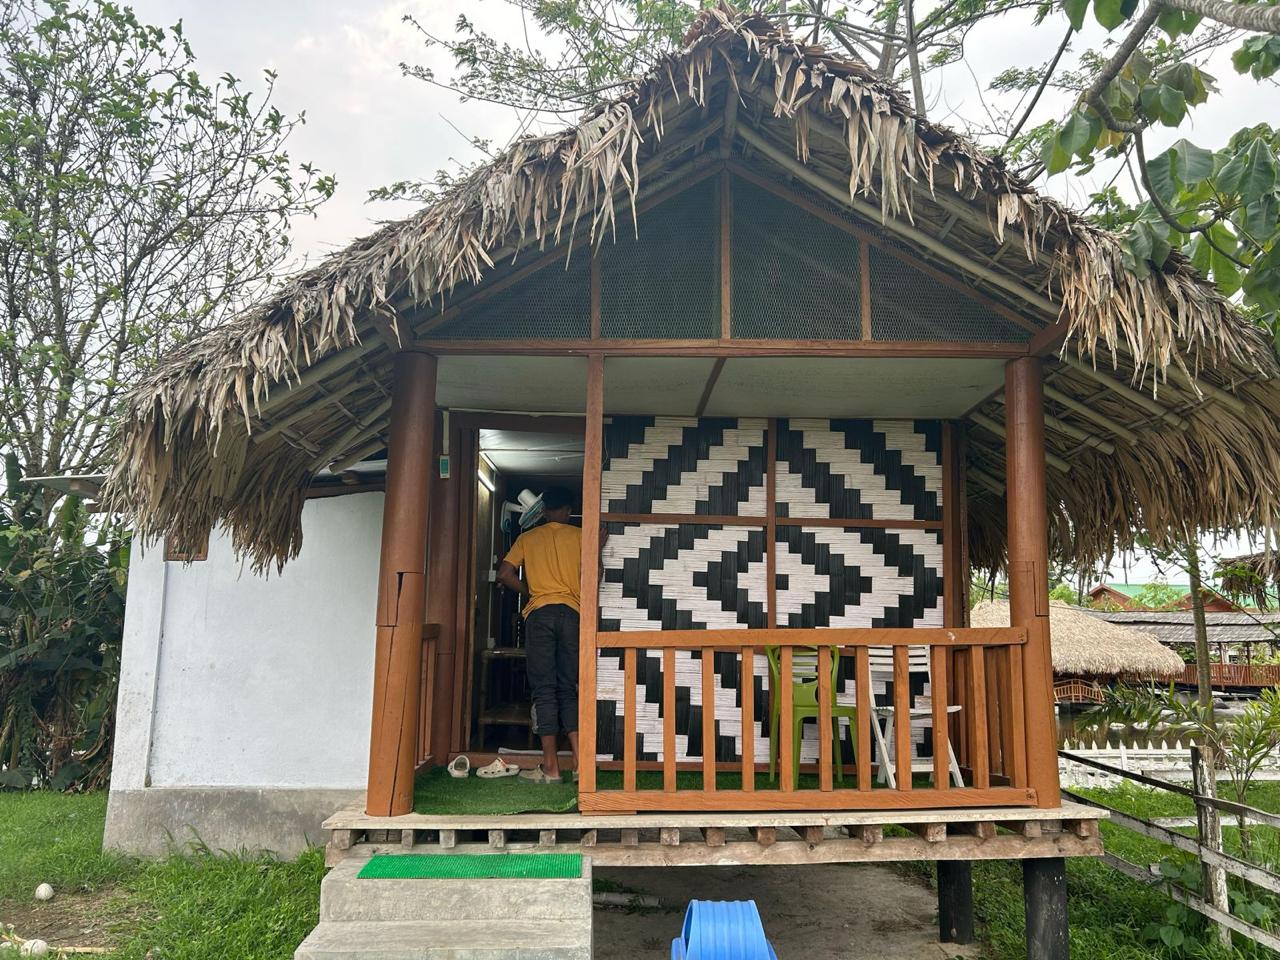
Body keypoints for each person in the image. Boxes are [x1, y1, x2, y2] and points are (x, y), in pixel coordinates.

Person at [496, 486, 581, 783]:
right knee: (568, 687)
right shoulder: (581, 536)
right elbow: (595, 576)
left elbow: (504, 574)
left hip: (540, 614)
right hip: (572, 615)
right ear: (569, 511)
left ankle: (551, 768)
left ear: (543, 512)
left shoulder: (527, 538)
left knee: (544, 690)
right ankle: (582, 768)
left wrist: (530, 592)